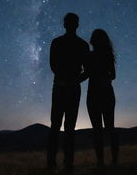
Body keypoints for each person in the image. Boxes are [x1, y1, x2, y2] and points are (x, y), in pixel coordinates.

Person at [47, 13, 90, 172]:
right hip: (65, 87)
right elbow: (86, 71)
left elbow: (53, 66)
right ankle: (63, 163)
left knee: (60, 125)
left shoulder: (59, 43)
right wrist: (75, 79)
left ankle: (59, 163)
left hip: (63, 87)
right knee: (63, 126)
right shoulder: (80, 44)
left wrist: (72, 80)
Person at [86, 29, 119, 166]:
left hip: (94, 94)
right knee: (110, 128)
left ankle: (101, 162)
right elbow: (113, 75)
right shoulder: (108, 55)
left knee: (97, 130)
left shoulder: (91, 56)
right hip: (106, 92)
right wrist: (105, 79)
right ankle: (114, 161)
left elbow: (87, 73)